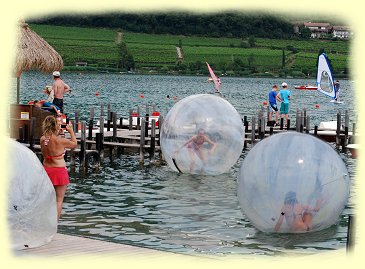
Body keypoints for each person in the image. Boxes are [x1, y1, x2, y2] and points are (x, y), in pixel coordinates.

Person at [40, 115, 77, 220]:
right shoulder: (60, 140)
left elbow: (46, 149)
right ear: (55, 126)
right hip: (59, 170)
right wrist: (71, 131)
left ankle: (44, 220)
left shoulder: (43, 139)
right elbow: (74, 144)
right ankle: (54, 224)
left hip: (46, 169)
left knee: (46, 198)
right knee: (58, 199)